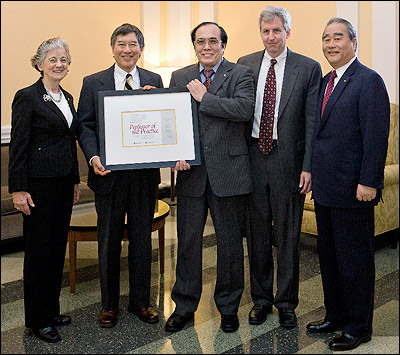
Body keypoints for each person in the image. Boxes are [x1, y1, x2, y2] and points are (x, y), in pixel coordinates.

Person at [164, 22, 255, 333]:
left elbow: (244, 109)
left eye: (212, 41)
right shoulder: (179, 76)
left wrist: (206, 98)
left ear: (223, 45)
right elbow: (172, 118)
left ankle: (228, 308)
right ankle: (184, 307)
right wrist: (172, 152)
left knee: (229, 244)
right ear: (194, 45)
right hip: (191, 174)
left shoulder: (241, 73)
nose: (206, 46)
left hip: (229, 173)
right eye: (200, 41)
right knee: (187, 243)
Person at [306, 18, 390, 351]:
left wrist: (369, 181)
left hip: (354, 189)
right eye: (325, 38)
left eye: (337, 37)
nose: (330, 44)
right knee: (329, 258)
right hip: (326, 188)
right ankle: (336, 316)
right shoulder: (327, 81)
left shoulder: (368, 81)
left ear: (353, 42)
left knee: (354, 261)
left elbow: (376, 135)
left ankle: (358, 326)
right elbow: (320, 134)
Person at [237, 5, 322, 328]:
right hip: (253, 160)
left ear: (288, 32)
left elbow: (312, 120)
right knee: (256, 235)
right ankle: (261, 300)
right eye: (266, 31)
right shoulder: (244, 64)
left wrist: (308, 166)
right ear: (260, 33)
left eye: (277, 30)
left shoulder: (308, 67)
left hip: (289, 162)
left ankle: (286, 301)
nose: (271, 37)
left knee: (288, 236)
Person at [77, 23, 163, 328]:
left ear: (141, 48)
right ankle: (109, 305)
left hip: (143, 178)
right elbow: (84, 125)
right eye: (121, 44)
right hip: (108, 176)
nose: (127, 50)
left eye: (133, 44)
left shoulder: (154, 79)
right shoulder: (93, 82)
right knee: (109, 241)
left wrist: (155, 102)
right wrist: (93, 156)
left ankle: (140, 301)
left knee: (142, 240)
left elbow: (162, 121)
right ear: (112, 47)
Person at [8, 38, 80, 343]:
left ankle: (51, 311)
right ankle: (37, 320)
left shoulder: (68, 97)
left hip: (63, 184)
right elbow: (18, 147)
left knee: (55, 251)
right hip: (37, 187)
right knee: (38, 254)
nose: (59, 64)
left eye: (64, 59)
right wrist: (18, 189)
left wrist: (75, 179)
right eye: (53, 59)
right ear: (39, 64)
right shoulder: (27, 97)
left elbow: (69, 142)